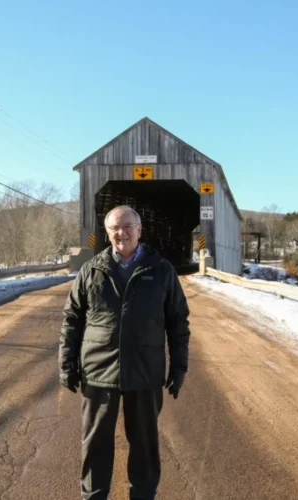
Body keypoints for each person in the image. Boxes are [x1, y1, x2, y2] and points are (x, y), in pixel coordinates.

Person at [59, 205, 191, 500]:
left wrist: (179, 366)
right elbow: (72, 319)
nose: (122, 233)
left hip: (145, 372)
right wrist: (66, 362)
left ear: (140, 229)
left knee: (144, 443)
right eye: (115, 228)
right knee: (95, 444)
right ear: (106, 233)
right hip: (98, 372)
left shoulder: (161, 270)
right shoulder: (91, 270)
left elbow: (178, 321)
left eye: (128, 226)